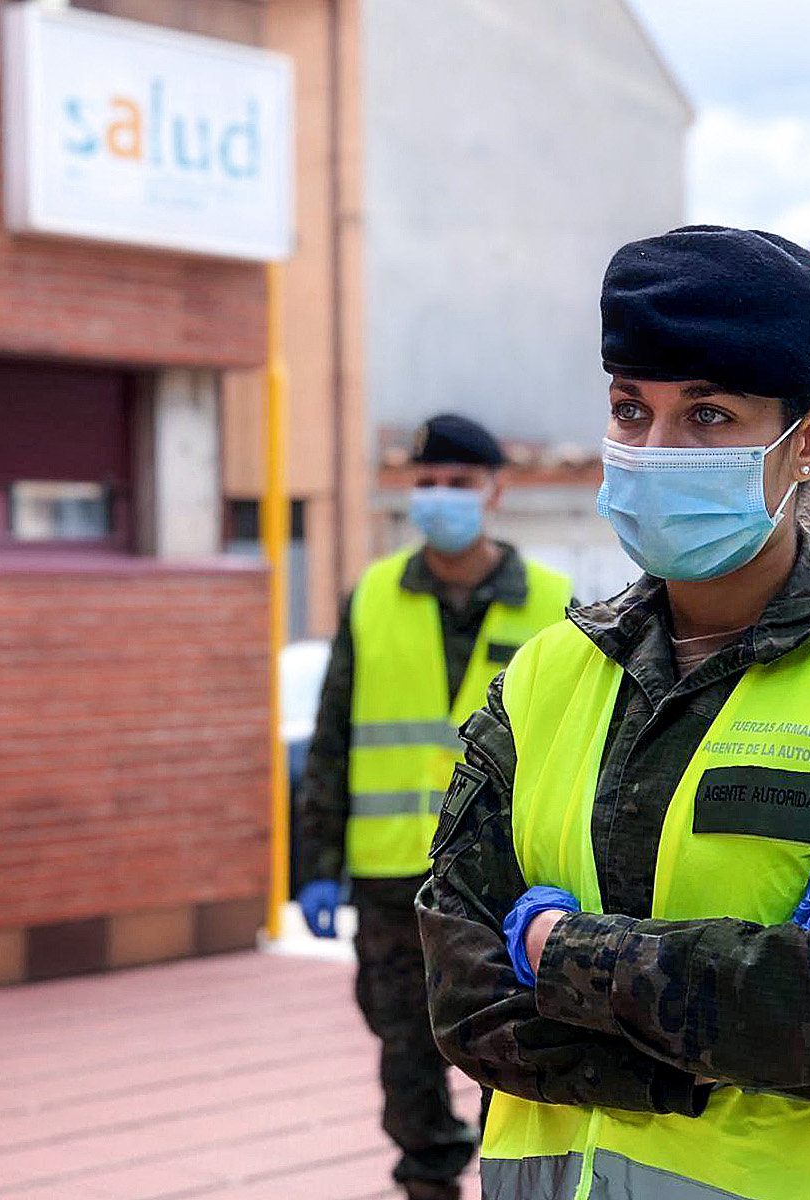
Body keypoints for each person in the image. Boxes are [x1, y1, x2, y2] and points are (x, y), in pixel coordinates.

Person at [416, 226, 810, 1200]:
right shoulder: (541, 677)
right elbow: (461, 998)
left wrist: (556, 951)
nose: (655, 451)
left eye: (707, 417)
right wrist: (715, 1048)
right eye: (632, 410)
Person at [295, 413, 573, 1200]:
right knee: (404, 1051)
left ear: (495, 492)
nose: (440, 497)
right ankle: (426, 1179)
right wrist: (316, 867)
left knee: (507, 1045)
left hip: (503, 879)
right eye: (426, 484)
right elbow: (332, 741)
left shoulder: (556, 605)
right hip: (390, 877)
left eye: (457, 483)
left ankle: (506, 1179)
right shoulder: (372, 597)